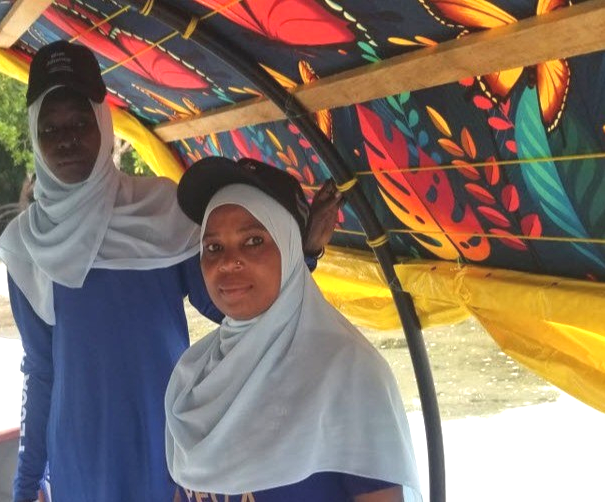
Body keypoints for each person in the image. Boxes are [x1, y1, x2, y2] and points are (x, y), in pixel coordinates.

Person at [0, 41, 340, 502]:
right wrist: (26, 483)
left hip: (172, 434)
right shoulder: (25, 244)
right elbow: (40, 371)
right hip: (81, 449)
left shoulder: (160, 208)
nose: (66, 140)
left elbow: (238, 309)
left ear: (102, 121)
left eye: (79, 123)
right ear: (34, 137)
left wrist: (307, 254)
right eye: (50, 128)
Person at [166, 157, 422, 502]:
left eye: (253, 241)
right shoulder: (191, 377)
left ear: (289, 249)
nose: (227, 261)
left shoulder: (348, 374)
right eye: (213, 247)